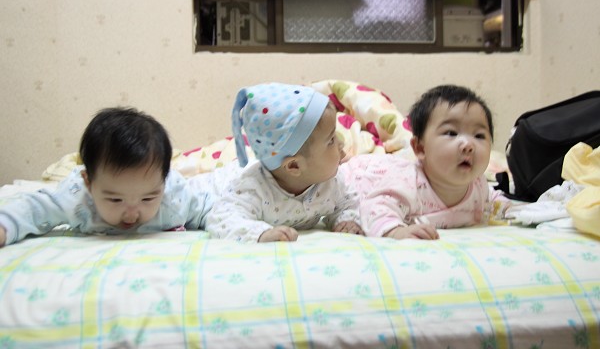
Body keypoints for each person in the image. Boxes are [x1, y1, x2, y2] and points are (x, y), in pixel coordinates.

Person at [0, 107, 213, 247]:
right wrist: (4, 227)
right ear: (89, 183)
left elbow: (208, 209)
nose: (131, 214)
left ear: (163, 183)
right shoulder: (77, 200)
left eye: (147, 198)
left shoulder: (174, 198)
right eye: (115, 199)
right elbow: (34, 209)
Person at [340, 84, 511, 240]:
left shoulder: (479, 185)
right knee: (340, 201)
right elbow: (375, 206)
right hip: (359, 179)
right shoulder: (408, 184)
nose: (468, 145)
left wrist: (508, 208)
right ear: (420, 148)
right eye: (451, 133)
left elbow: (492, 197)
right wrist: (395, 231)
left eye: (479, 136)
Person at [205, 82, 363, 243]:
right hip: (212, 190)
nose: (341, 143)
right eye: (331, 140)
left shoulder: (331, 182)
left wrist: (347, 220)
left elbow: (348, 203)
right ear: (294, 166)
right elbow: (221, 218)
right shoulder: (253, 188)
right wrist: (260, 234)